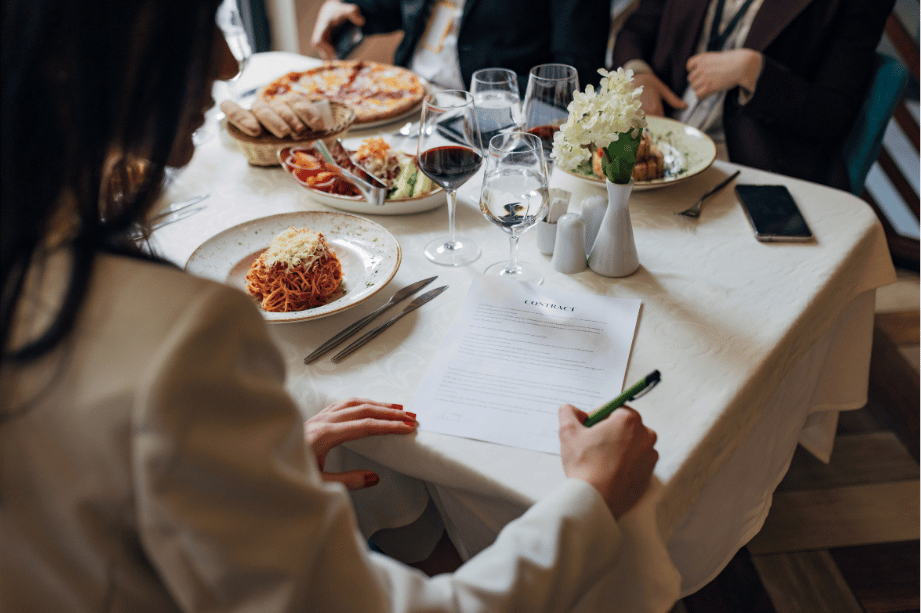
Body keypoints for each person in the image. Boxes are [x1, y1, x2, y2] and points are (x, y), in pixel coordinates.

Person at [0, 0, 659, 610]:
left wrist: (241, 468)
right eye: (201, 24)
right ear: (94, 53)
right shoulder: (178, 335)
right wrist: (591, 497)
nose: (230, 64)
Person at [611, 0, 895, 189]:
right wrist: (639, 75)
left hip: (753, 162)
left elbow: (832, 115)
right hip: (658, 139)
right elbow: (635, 31)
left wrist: (755, 73)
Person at [310, 0, 612, 91]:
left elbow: (576, 73)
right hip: (407, 94)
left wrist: (489, 97)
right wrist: (342, 7)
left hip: (495, 117)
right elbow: (399, 8)